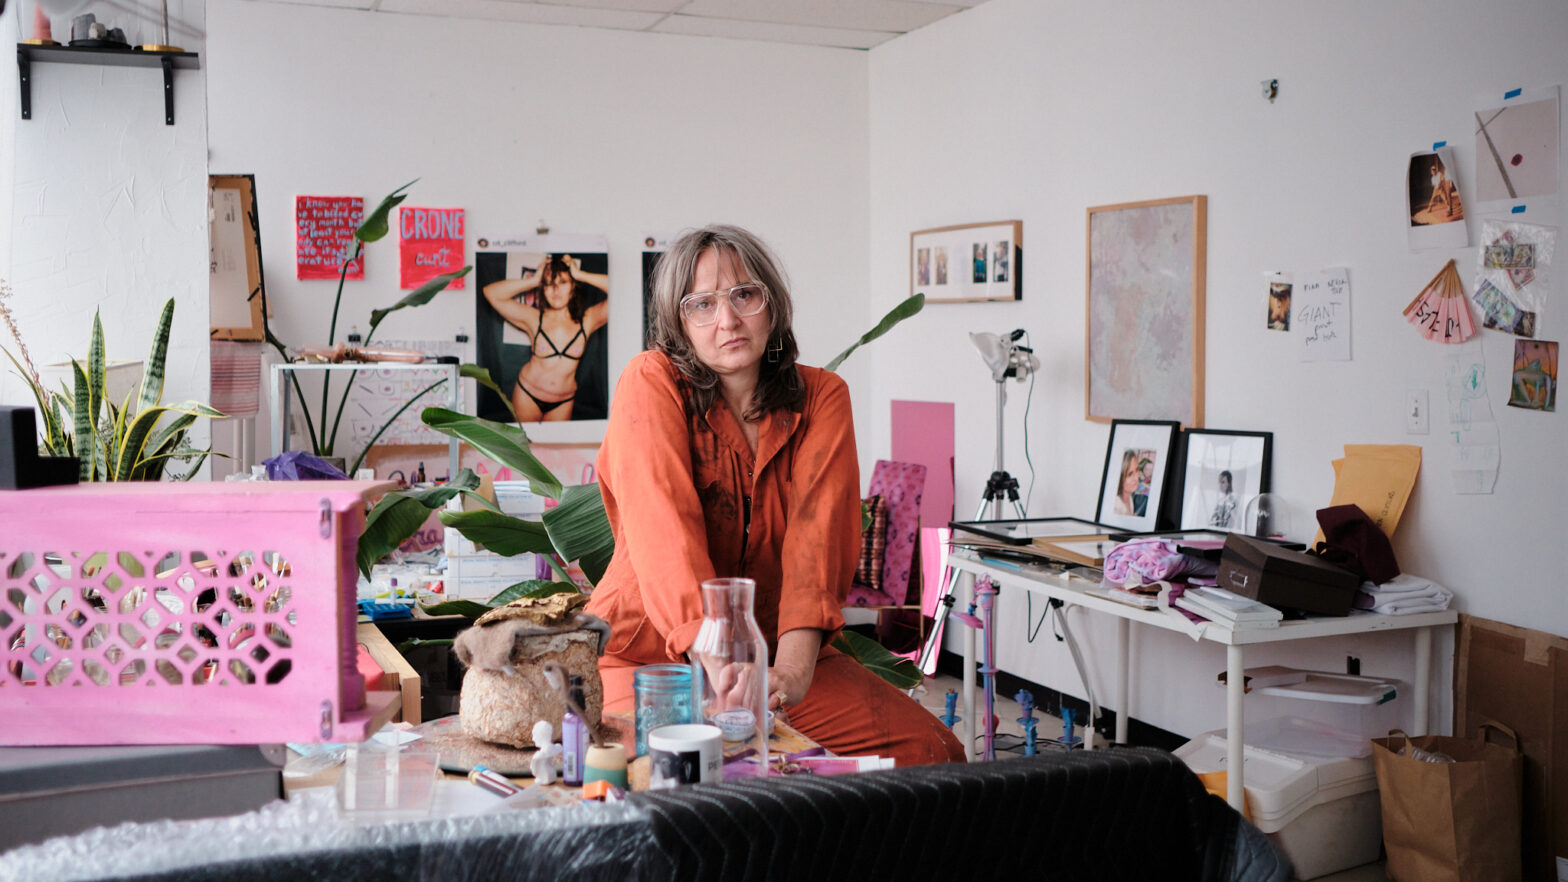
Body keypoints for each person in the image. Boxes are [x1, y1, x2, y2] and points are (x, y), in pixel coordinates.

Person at [585, 224, 965, 767]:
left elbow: (817, 545)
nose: (728, 320)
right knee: (672, 772)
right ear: (677, 323)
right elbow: (662, 530)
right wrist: (718, 664)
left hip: (771, 656)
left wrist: (786, 676)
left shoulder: (822, 398)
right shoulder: (650, 381)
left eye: (744, 294)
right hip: (643, 656)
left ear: (772, 302)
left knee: (930, 750)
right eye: (701, 304)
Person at [482, 254, 609, 421]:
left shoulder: (588, 320)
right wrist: (533, 280)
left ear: (573, 286)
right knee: (524, 446)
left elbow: (620, 291)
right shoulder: (534, 318)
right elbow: (491, 293)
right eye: (548, 284)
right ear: (542, 289)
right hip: (528, 394)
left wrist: (580, 274)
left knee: (556, 447)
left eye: (563, 282)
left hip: (563, 401)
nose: (555, 290)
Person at [1112, 449, 1147, 517]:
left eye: (1137, 470)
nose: (1136, 477)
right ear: (1120, 478)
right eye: (1130, 474)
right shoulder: (1116, 508)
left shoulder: (1129, 497)